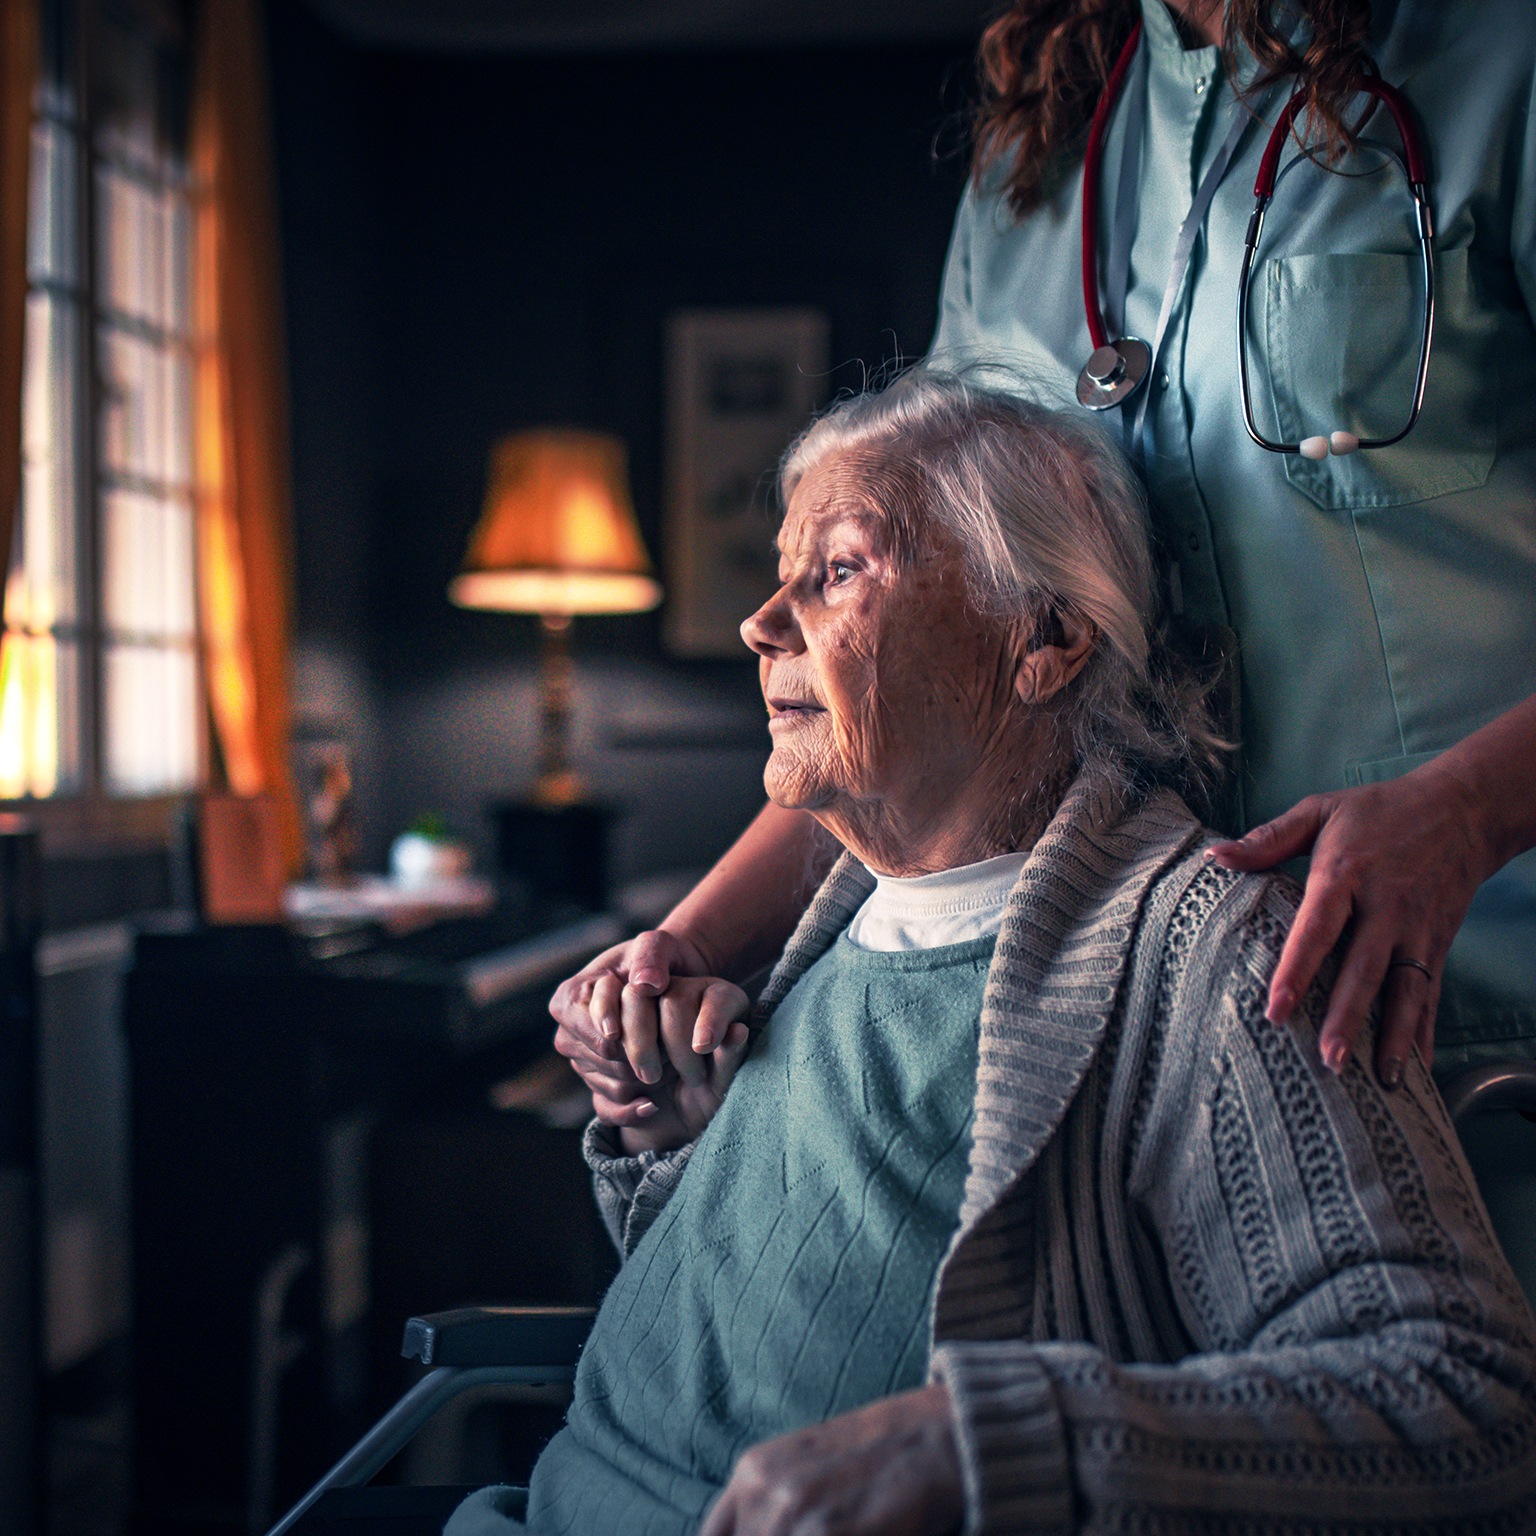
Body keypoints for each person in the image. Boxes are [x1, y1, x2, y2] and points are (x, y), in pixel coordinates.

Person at [452, 372, 1536, 1536]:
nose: (762, 624)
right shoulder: (829, 922)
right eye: (782, 573)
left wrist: (996, 1448)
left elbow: (1462, 1401)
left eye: (839, 572)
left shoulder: (1207, 952)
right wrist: (668, 1136)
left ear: (1046, 638)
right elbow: (762, 1331)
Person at [552, 0, 1536, 1117]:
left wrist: (1470, 811)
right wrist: (688, 946)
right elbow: (907, 682)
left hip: (1482, 1031)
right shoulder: (1034, 165)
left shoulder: (1500, 61)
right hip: (1130, 1061)